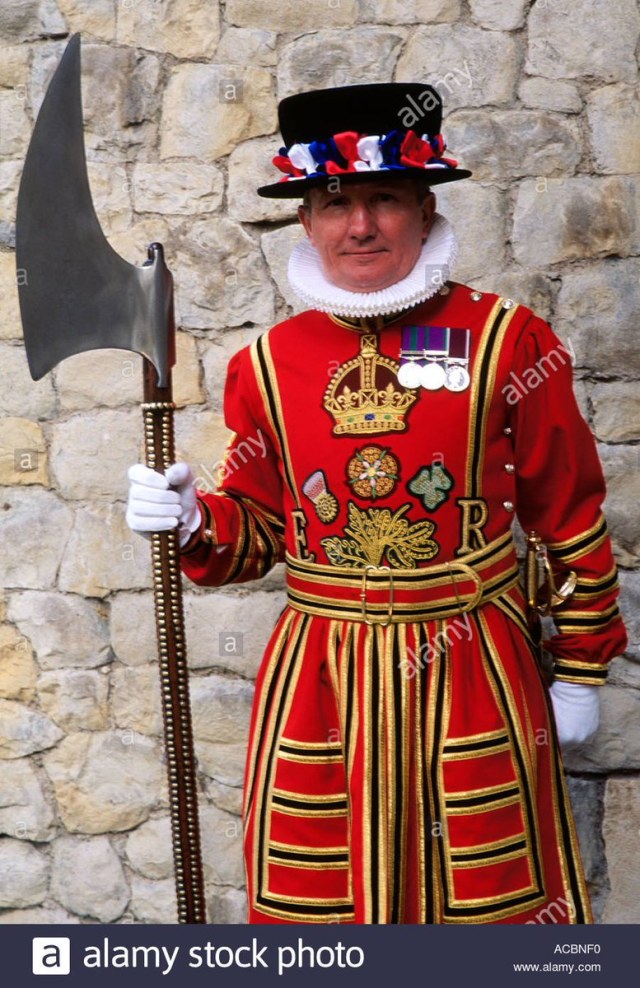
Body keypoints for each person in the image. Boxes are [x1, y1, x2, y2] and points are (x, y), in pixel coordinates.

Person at [126, 84, 627, 924]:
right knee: (319, 904)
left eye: (384, 199)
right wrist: (195, 519)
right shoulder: (265, 364)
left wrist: (579, 666)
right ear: (306, 220)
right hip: (318, 676)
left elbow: (569, 509)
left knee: (486, 908)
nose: (359, 226)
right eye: (335, 204)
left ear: (425, 210)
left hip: (472, 661)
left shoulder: (509, 340)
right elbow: (259, 531)